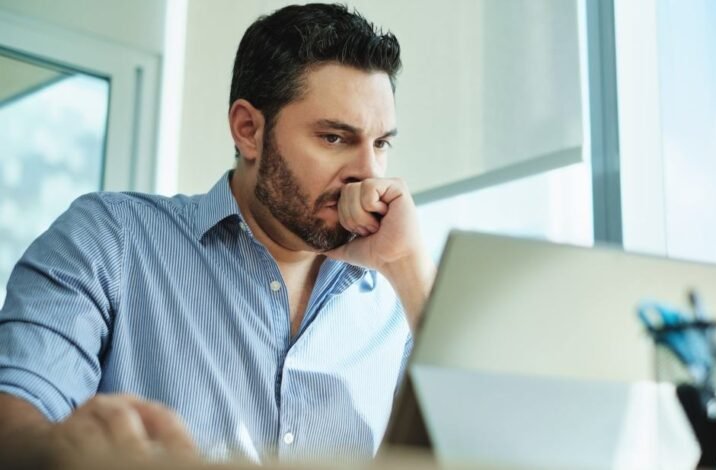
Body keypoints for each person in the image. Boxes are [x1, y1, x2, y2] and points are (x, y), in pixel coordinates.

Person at [0, 3, 436, 467]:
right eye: (334, 138)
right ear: (248, 131)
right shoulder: (109, 239)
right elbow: (13, 424)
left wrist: (407, 270)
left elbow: (478, 441)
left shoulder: (395, 303)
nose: (368, 172)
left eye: (381, 143)